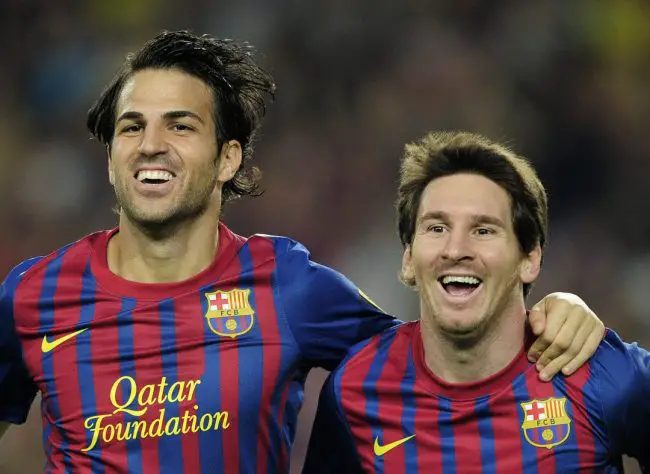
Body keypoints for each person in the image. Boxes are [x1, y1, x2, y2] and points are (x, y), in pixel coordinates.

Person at [0, 31, 605, 473]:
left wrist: (552, 311)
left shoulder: (287, 286)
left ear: (228, 158)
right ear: (110, 158)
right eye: (131, 127)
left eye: (180, 126)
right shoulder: (32, 296)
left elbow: (443, 357)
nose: (150, 144)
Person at [302, 131, 649, 473]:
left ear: (530, 258)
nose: (456, 250)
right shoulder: (355, 389)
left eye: (483, 231)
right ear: (408, 257)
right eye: (437, 228)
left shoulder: (598, 374)